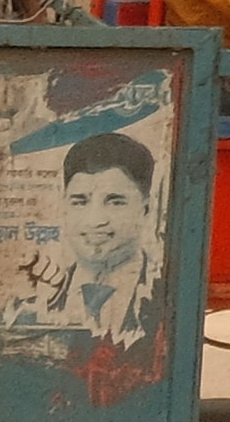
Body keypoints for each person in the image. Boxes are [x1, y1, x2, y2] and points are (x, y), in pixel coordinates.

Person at [39, 130, 163, 336]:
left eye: (115, 202)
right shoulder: (33, 303)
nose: (95, 220)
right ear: (64, 206)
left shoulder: (165, 295)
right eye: (80, 202)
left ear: (146, 208)